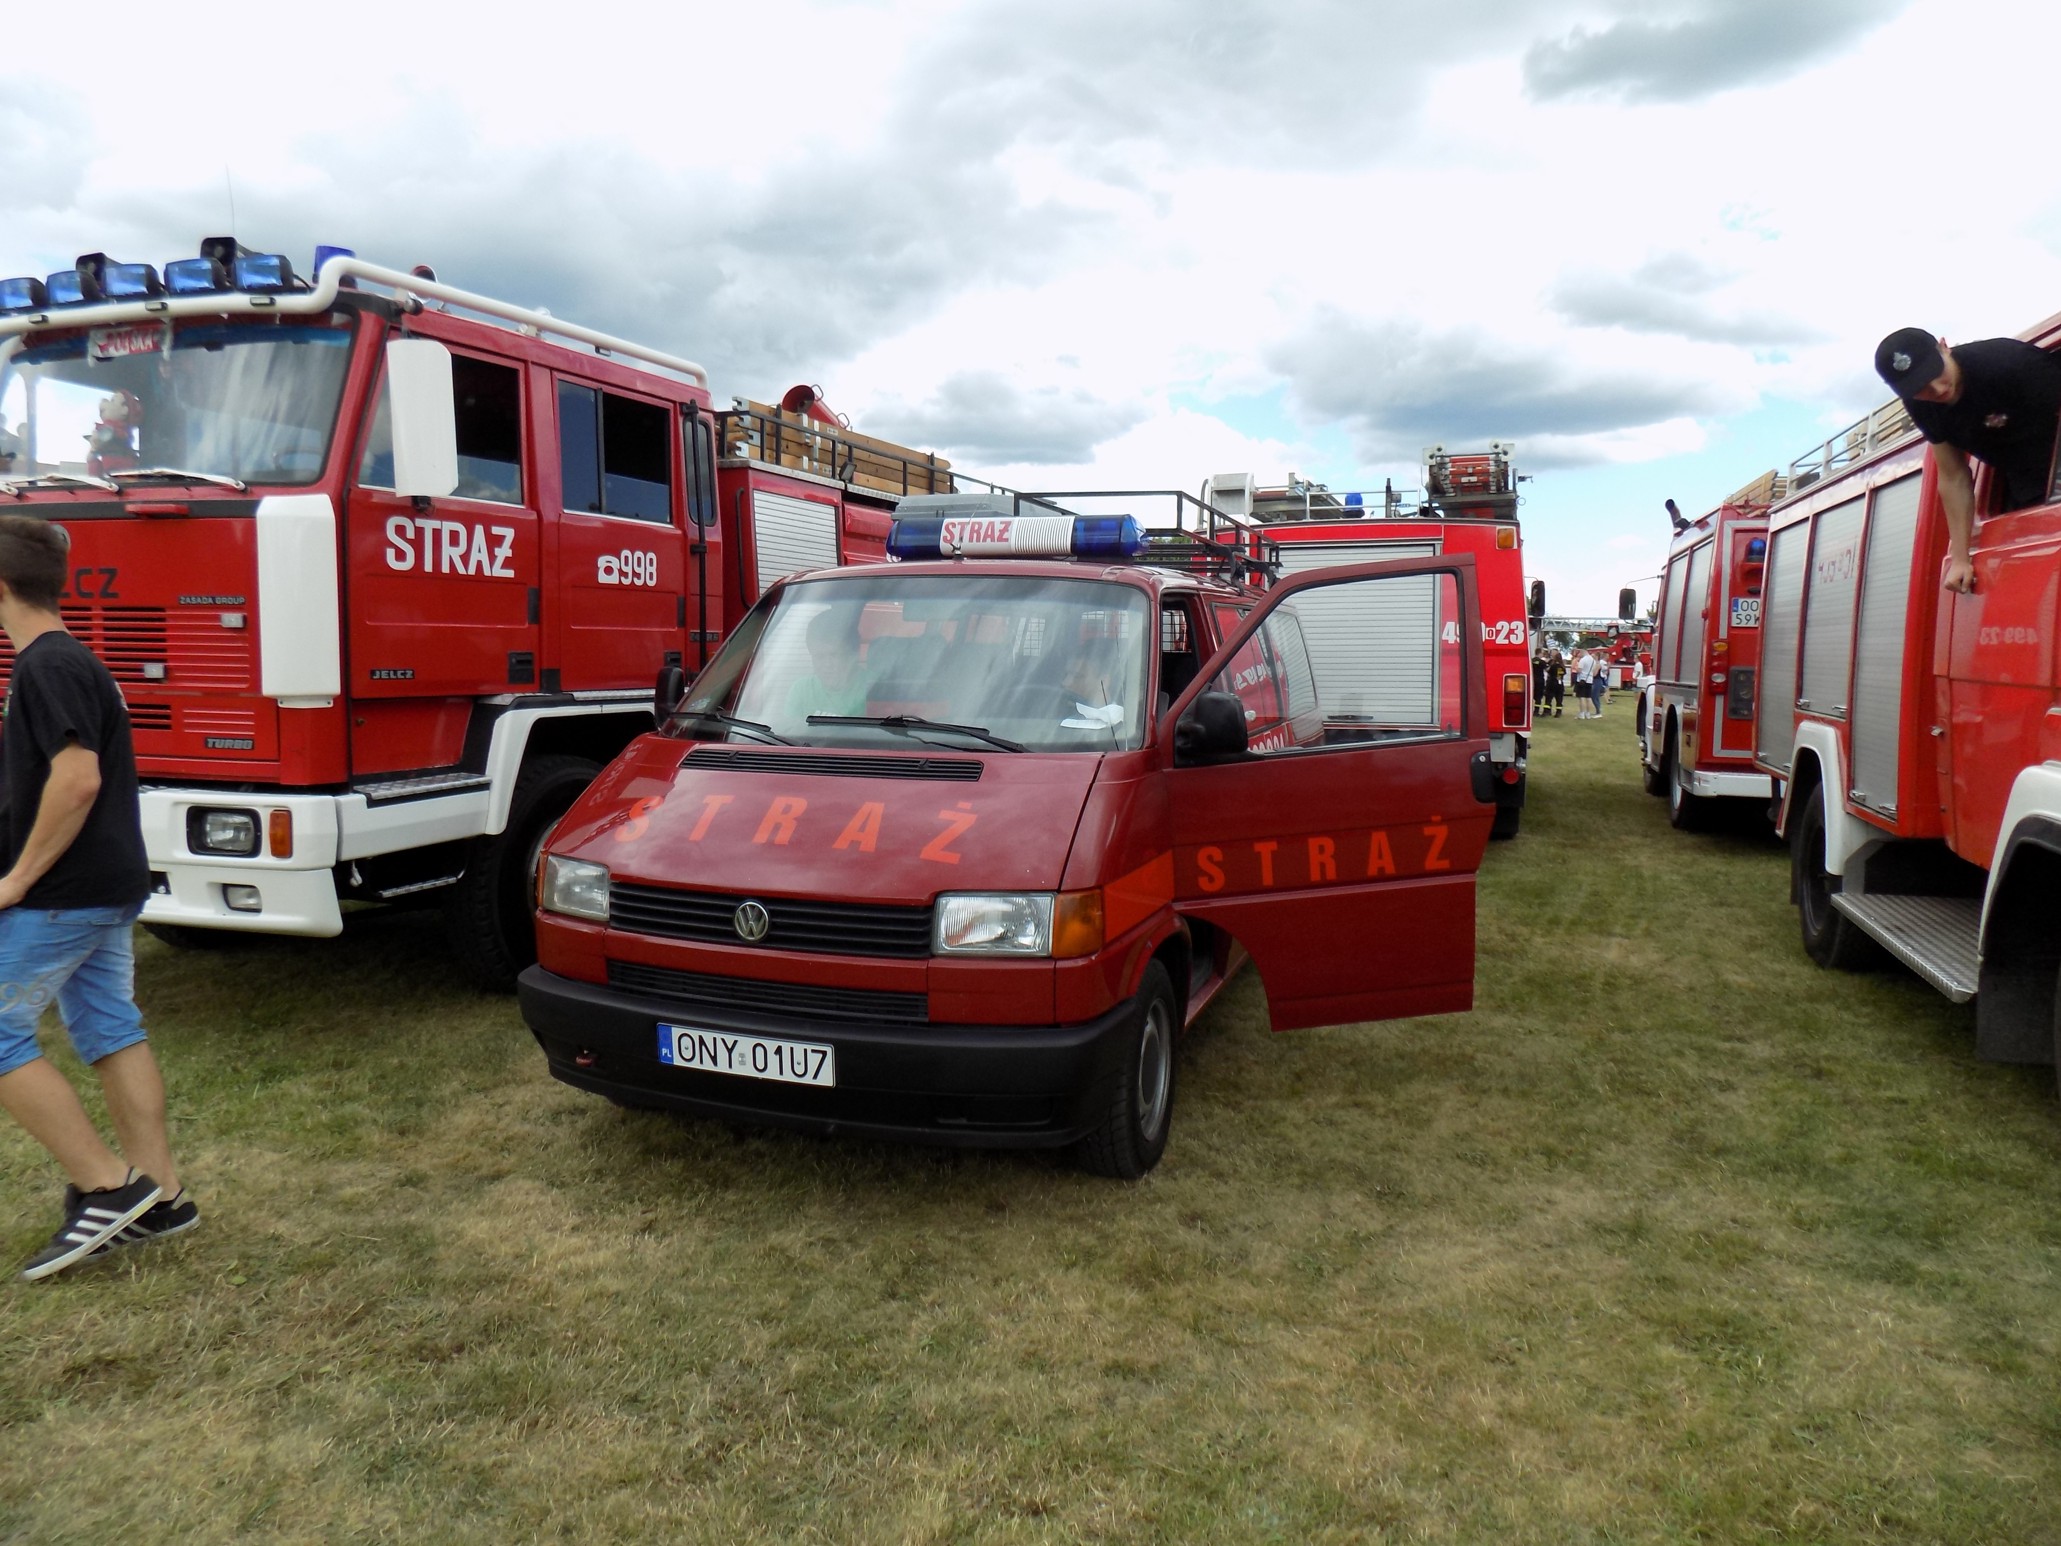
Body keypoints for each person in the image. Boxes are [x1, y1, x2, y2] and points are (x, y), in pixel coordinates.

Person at [0, 516, 195, 1280]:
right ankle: (162, 1196)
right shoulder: (69, 659)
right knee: (109, 1027)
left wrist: (18, 878)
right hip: (101, 884)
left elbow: (78, 780)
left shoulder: (46, 666)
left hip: (64, 893)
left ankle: (108, 1186)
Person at [1875, 327, 2061, 593]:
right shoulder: (1921, 406)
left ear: (1944, 347)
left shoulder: (2008, 363)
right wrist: (1960, 559)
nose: (1936, 389)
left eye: (1935, 373)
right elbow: (1953, 477)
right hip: (2026, 484)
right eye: (1919, 388)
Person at [784, 605, 873, 724]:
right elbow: (789, 731)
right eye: (819, 657)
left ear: (853, 654)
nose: (827, 664)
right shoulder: (801, 690)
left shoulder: (873, 688)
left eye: (834, 655)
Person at [1544, 648, 1566, 718]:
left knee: (1548, 698)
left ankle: (1546, 711)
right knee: (1559, 699)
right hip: (1560, 683)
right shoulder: (1562, 666)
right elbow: (1562, 674)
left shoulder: (1553, 665)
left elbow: (1548, 671)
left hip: (1552, 682)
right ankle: (1558, 712)